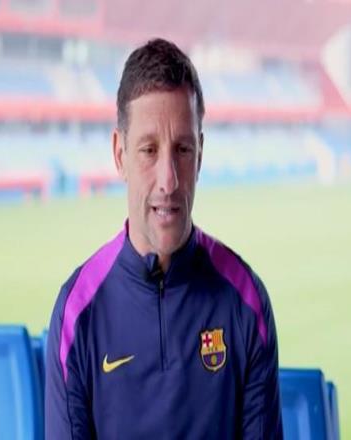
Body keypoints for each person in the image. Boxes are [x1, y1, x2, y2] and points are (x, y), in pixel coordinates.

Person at [45, 38, 283, 439]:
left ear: (201, 154)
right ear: (120, 154)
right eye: (149, 150)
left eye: (183, 149)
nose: (168, 181)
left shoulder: (246, 301)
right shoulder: (77, 313)